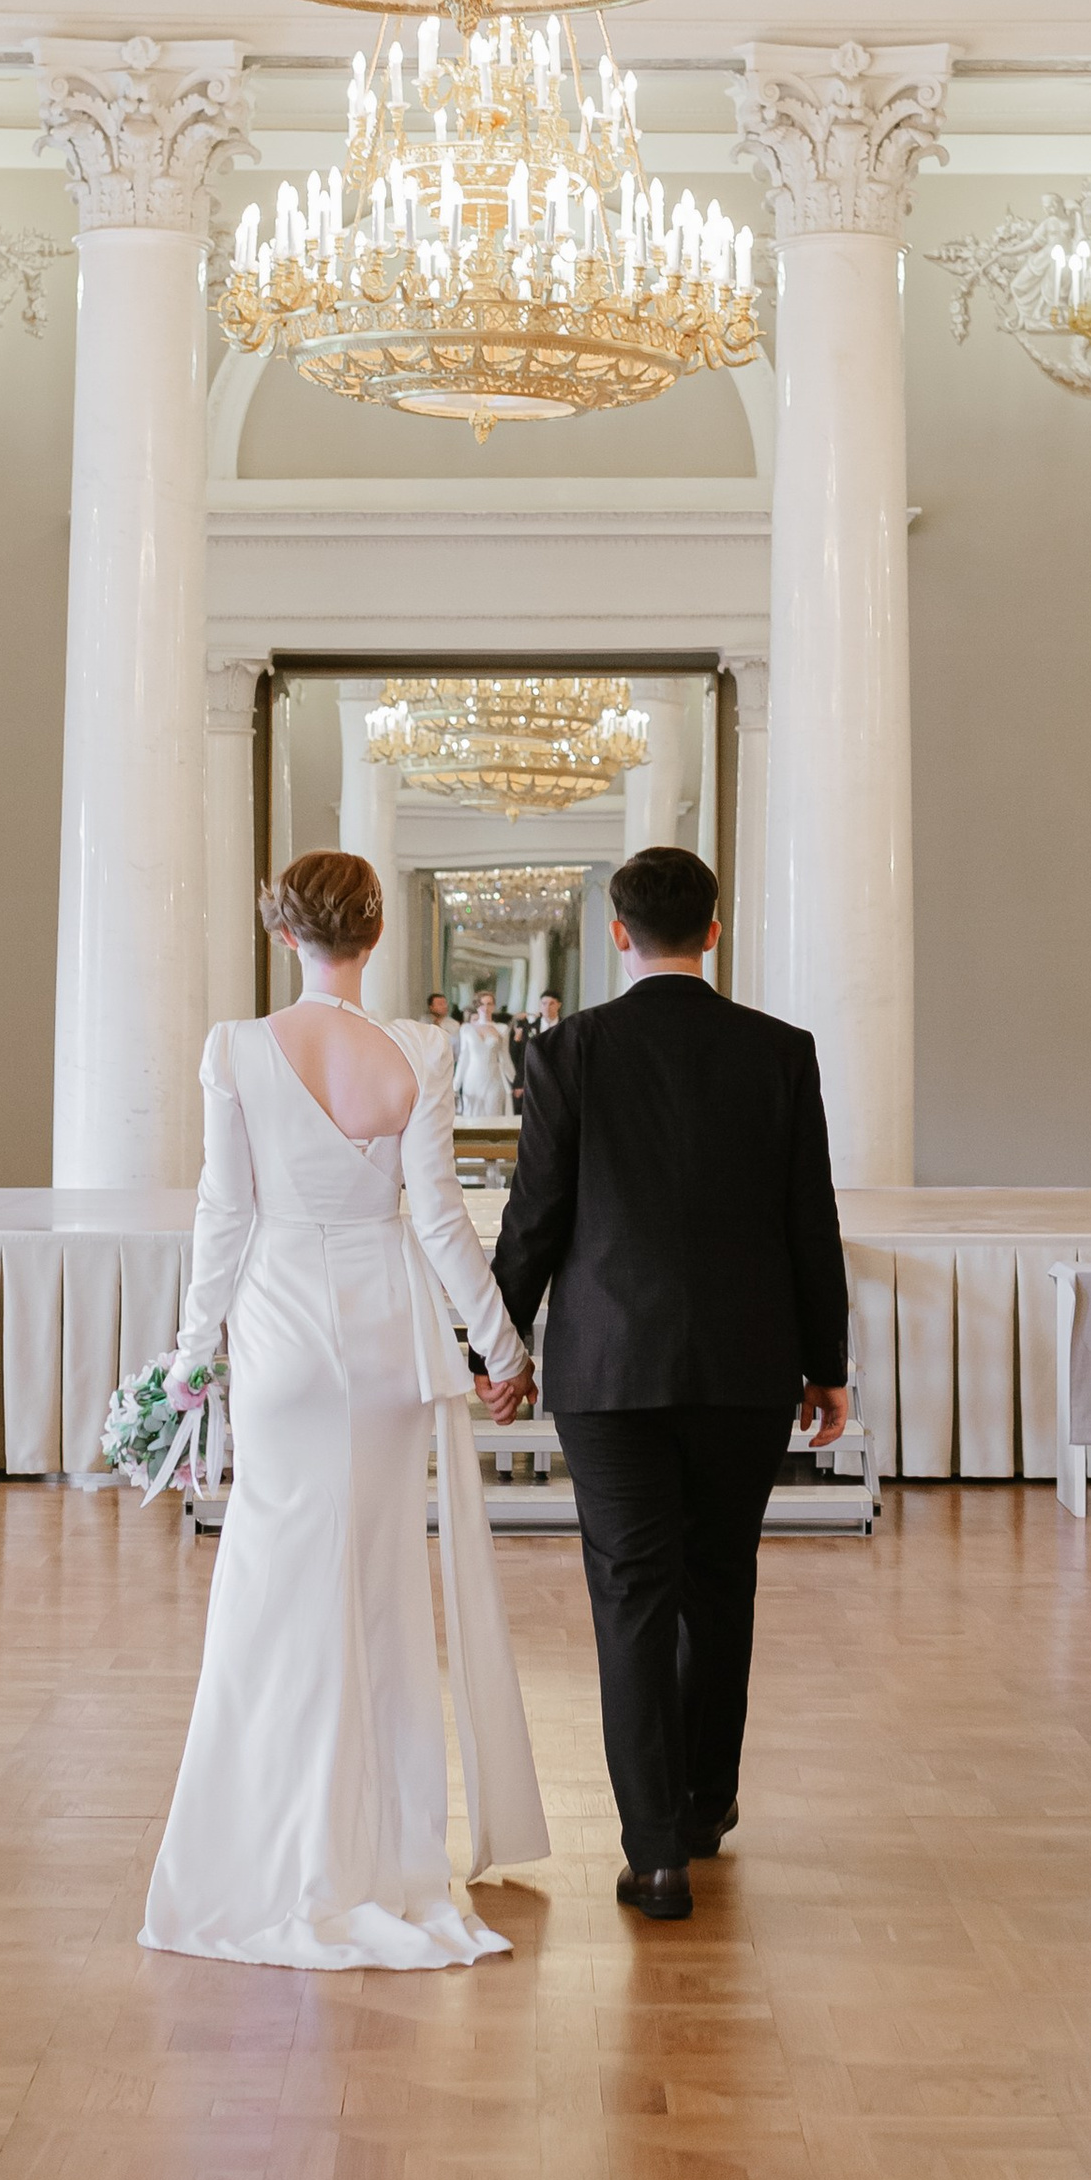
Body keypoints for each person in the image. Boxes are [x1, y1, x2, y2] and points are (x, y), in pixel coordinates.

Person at [141, 851, 548, 1969]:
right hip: (384, 1347)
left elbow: (223, 1215)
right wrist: (502, 1347)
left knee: (271, 1582)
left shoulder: (236, 1048)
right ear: (373, 938)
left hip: (279, 1336)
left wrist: (191, 1358)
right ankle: (377, 1847)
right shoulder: (416, 1051)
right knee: (376, 1591)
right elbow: (442, 1221)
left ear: (286, 936)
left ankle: (271, 1843)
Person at [491, 844, 849, 1923]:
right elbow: (810, 1219)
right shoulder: (780, 1051)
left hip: (608, 1367)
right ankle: (702, 1805)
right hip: (746, 1364)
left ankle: (654, 1855)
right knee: (720, 1582)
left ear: (618, 934)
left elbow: (535, 1217)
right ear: (714, 931)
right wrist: (826, 1365)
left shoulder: (569, 1050)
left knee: (631, 1595)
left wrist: (497, 1348)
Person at [453, 991, 515, 1120]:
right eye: (482, 1004)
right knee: (471, 1117)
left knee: (494, 1115)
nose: (485, 1008)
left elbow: (505, 1055)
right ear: (477, 1006)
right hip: (471, 1078)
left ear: (493, 1006)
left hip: (494, 1077)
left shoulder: (502, 1028)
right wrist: (456, 1085)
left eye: (489, 1004)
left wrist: (515, 1080)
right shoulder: (466, 1029)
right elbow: (464, 1057)